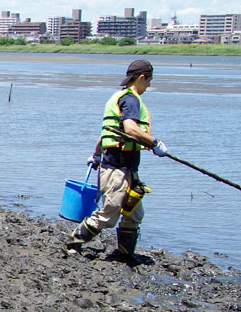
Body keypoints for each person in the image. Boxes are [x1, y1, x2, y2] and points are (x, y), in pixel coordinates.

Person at [65, 59, 169, 265]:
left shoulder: (118, 97)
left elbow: (106, 133)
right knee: (110, 214)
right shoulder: (130, 100)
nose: (148, 86)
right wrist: (154, 142)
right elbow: (130, 129)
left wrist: (95, 155)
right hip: (116, 169)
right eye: (148, 81)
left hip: (128, 169)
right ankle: (73, 243)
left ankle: (125, 254)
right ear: (141, 78)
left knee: (134, 213)